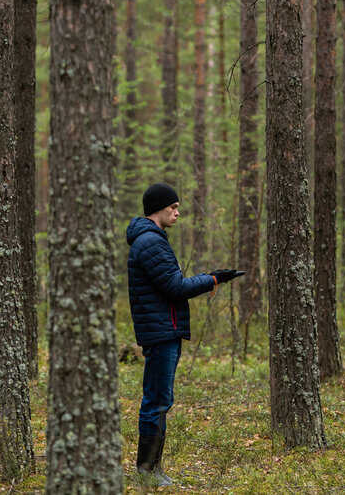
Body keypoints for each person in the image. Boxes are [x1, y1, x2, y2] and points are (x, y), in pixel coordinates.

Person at [126, 183, 242, 486]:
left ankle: (152, 468)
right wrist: (214, 278)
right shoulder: (150, 242)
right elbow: (175, 287)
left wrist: (212, 278)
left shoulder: (151, 240)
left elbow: (169, 285)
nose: (177, 213)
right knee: (156, 400)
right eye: (173, 207)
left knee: (161, 398)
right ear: (159, 208)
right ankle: (146, 470)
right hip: (161, 332)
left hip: (164, 329)